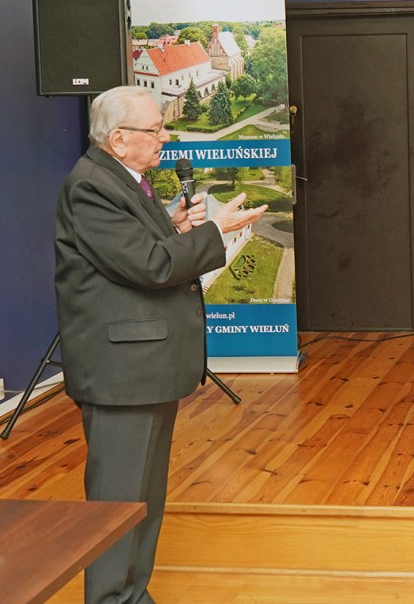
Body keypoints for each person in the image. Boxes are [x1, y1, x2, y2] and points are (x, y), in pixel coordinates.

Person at [54, 86, 267, 603]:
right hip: (123, 370)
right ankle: (111, 598)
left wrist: (173, 225)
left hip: (145, 366)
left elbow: (139, 248)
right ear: (118, 139)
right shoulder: (91, 186)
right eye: (155, 130)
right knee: (117, 502)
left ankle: (132, 594)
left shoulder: (124, 179)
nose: (165, 137)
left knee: (143, 498)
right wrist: (214, 230)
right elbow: (151, 266)